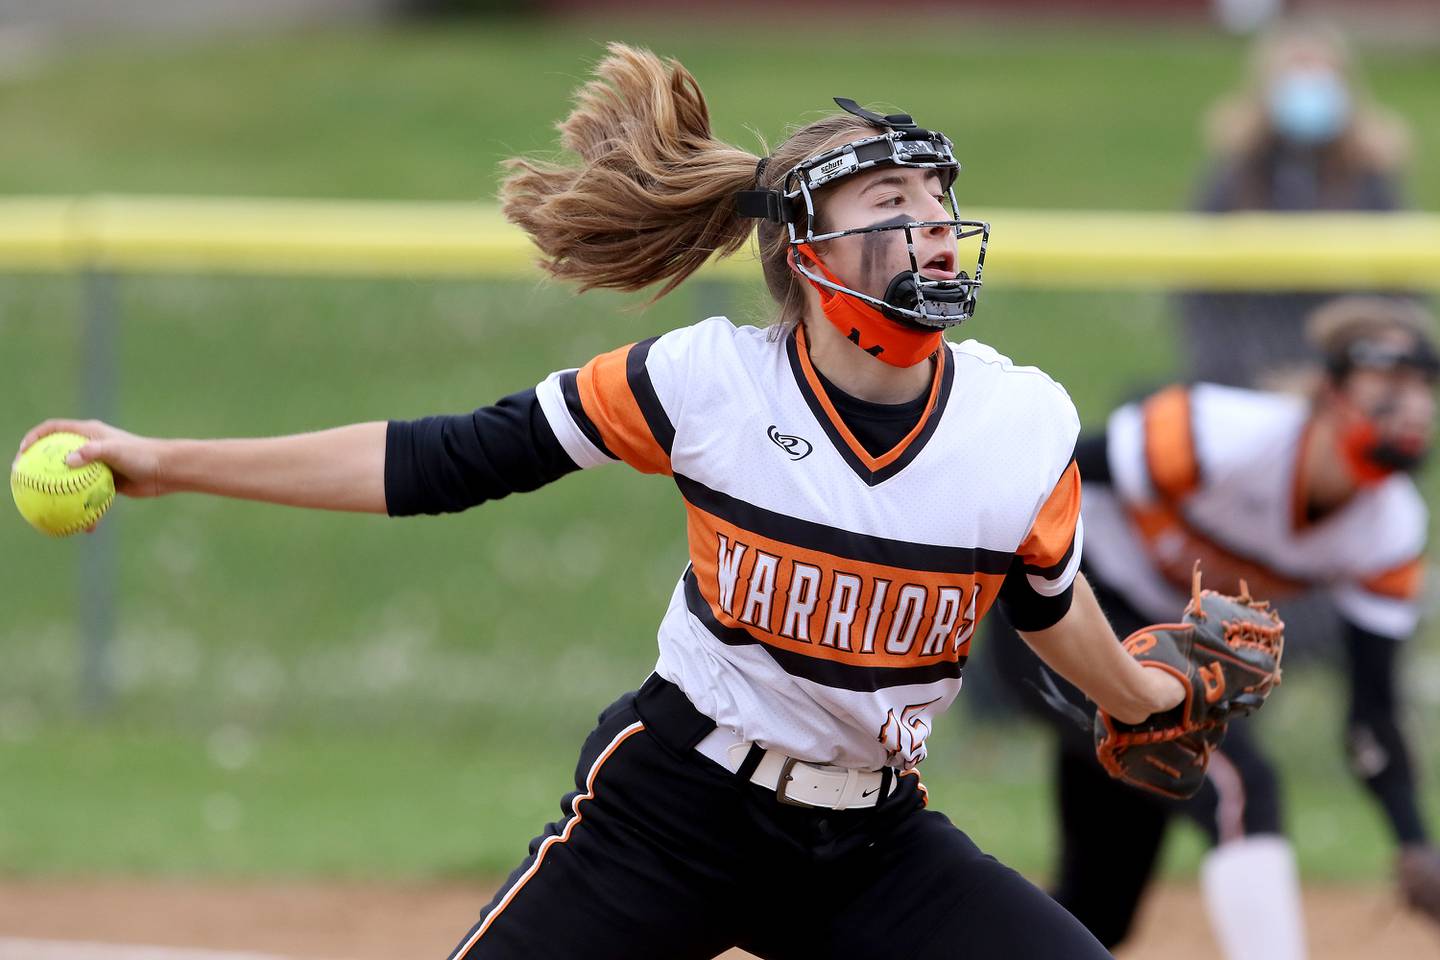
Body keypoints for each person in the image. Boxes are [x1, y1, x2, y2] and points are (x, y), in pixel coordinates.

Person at [15, 45, 1193, 959]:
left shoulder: (1017, 420)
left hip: (871, 840)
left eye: (936, 202)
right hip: (674, 810)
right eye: (890, 203)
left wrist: (1145, 697)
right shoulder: (705, 384)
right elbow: (442, 461)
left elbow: (1043, 600)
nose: (930, 228)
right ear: (806, 253)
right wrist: (164, 457)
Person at [987, 295, 1440, 960]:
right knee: (1239, 783)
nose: (1411, 408)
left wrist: (1412, 841)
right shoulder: (1223, 434)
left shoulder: (1390, 527)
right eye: (1388, 387)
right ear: (1328, 394)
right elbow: (1039, 481)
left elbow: (1372, 707)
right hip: (1062, 617)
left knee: (1096, 913)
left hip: (1162, 648)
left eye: (1423, 390)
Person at [1179, 19, 1415, 388]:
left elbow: (1401, 289)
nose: (1308, 83)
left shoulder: (1369, 175)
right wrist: (1235, 375)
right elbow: (1201, 291)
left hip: (1347, 378)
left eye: (1320, 70)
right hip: (1251, 375)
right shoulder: (1238, 173)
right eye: (1296, 69)